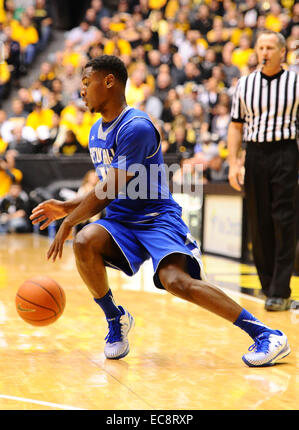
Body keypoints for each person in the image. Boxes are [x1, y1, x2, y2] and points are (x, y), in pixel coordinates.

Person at [30, 55, 290, 367]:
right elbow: (106, 186)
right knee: (86, 241)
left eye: (86, 84)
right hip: (121, 221)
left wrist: (70, 218)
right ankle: (116, 319)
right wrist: (66, 208)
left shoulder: (136, 127)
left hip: (155, 219)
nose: (81, 91)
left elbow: (111, 187)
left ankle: (266, 335)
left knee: (175, 281)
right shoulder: (96, 131)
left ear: (109, 81)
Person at [227, 30, 299, 312]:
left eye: (270, 47)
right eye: (260, 47)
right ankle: (269, 286)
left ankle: (280, 289)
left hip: (285, 151)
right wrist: (234, 163)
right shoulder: (244, 84)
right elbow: (236, 126)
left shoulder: (295, 82)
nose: (264, 52)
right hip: (255, 154)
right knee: (259, 221)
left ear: (282, 53)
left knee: (285, 218)